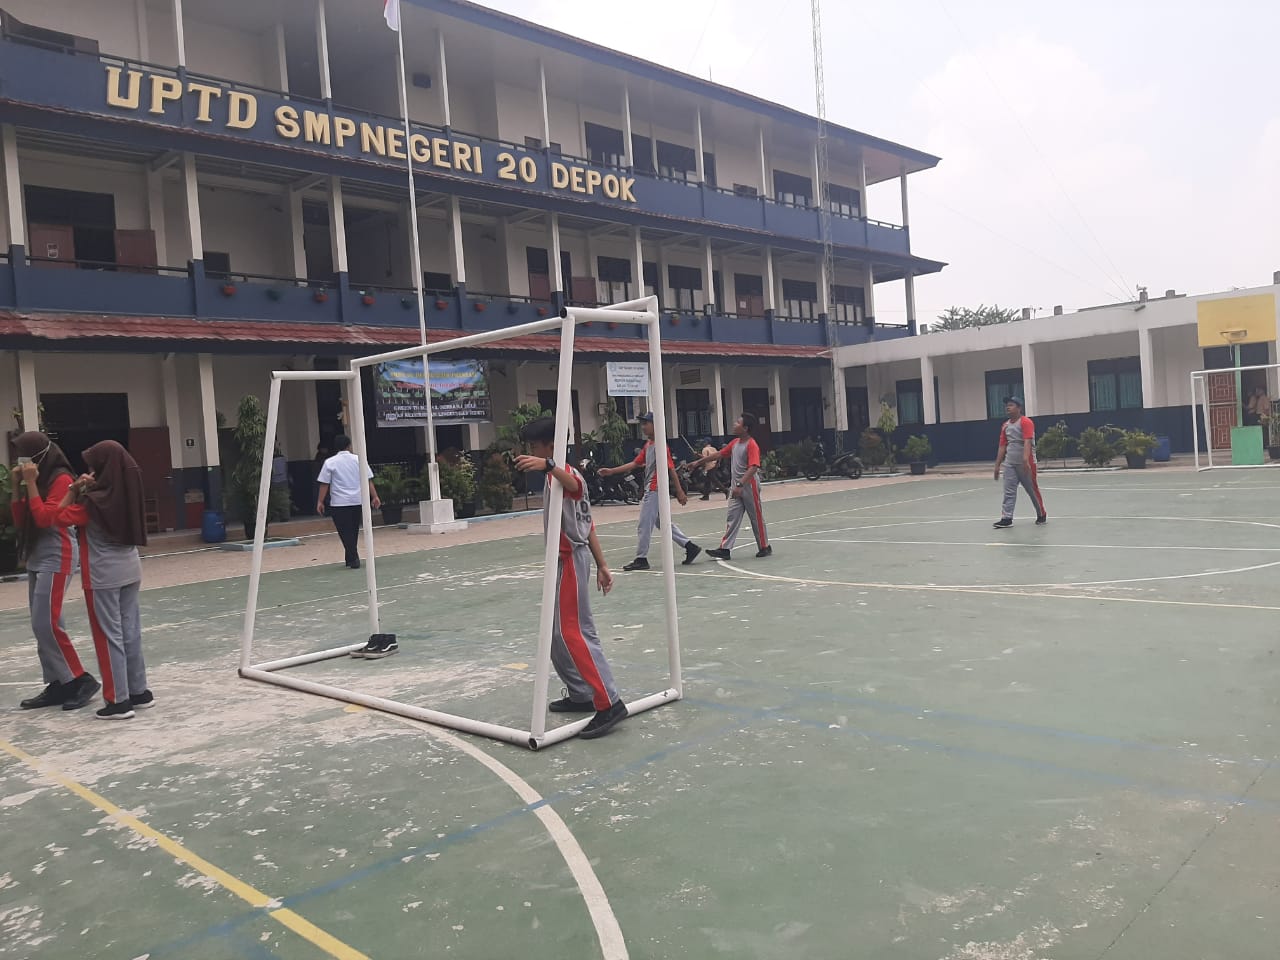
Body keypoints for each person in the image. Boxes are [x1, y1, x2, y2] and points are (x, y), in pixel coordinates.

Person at [514, 417, 627, 739]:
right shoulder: (555, 477)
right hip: (564, 562)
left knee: (574, 632)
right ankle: (581, 693)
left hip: (570, 561)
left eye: (534, 447)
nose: (531, 453)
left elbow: (575, 487)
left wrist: (549, 465)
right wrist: (603, 565)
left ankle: (609, 702)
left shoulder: (566, 474)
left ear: (550, 446)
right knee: (554, 633)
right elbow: (588, 524)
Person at [53, 441, 152, 720]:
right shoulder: (129, 493)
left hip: (102, 575)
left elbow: (57, 517)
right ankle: (139, 692)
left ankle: (118, 701)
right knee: (130, 631)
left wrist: (73, 489)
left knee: (109, 636)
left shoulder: (93, 504)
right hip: (130, 568)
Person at [11, 432, 101, 711]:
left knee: (46, 624)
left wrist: (30, 483)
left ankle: (80, 679)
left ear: (39, 454)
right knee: (43, 623)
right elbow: (21, 519)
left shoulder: (60, 479)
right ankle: (59, 682)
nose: (21, 460)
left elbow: (45, 519)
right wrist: (17, 487)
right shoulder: (39, 480)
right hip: (38, 555)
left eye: (25, 453)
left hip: (57, 554)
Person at [599, 411, 702, 571]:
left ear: (656, 425)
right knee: (662, 522)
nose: (643, 427)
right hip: (652, 488)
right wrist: (612, 471)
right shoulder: (649, 445)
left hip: (655, 489)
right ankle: (690, 546)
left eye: (646, 423)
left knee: (644, 524)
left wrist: (680, 491)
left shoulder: (661, 446)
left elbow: (671, 469)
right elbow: (635, 464)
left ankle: (641, 558)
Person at [688, 413, 771, 560]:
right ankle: (725, 549)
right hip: (736, 486)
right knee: (732, 517)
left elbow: (753, 467)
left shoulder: (751, 444)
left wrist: (740, 484)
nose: (734, 424)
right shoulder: (735, 443)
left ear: (745, 428)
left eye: (738, 422)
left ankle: (764, 546)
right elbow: (719, 454)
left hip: (748, 485)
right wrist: (698, 462)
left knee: (755, 517)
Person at [315, 435, 381, 570]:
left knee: (344, 531)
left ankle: (353, 557)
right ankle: (350, 557)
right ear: (349, 446)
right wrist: (375, 496)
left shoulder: (330, 462)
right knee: (353, 529)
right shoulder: (359, 460)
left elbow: (324, 484)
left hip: (339, 502)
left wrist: (320, 501)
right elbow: (368, 480)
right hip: (357, 500)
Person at [992, 395, 1047, 528]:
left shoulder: (1026, 422)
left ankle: (1041, 514)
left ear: (1019, 408)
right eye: (1007, 405)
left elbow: (1027, 441)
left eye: (1011, 405)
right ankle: (1007, 518)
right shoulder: (1005, 426)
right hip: (1010, 463)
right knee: (1009, 491)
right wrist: (997, 465)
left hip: (1025, 463)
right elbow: (1002, 446)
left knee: (1031, 490)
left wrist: (1025, 460)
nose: (1008, 408)